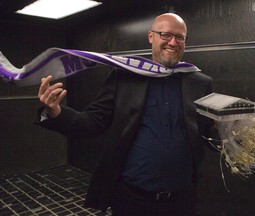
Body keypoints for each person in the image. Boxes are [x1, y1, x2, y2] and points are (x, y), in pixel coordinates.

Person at [36, 13, 218, 216]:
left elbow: (207, 132)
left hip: (182, 200)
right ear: (151, 36)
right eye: (165, 35)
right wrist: (56, 112)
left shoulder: (201, 83)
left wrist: (229, 132)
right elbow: (92, 122)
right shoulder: (124, 77)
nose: (173, 42)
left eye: (180, 37)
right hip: (131, 200)